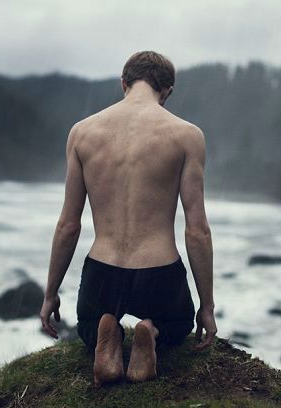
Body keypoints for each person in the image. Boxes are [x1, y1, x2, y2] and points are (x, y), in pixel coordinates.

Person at [39, 51, 216, 387]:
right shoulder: (187, 135)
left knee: (89, 323)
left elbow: (68, 224)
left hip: (103, 271)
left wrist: (50, 293)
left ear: (124, 83)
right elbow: (197, 229)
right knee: (179, 324)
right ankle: (151, 331)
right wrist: (207, 306)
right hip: (159, 273)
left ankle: (107, 333)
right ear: (167, 91)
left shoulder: (82, 132)